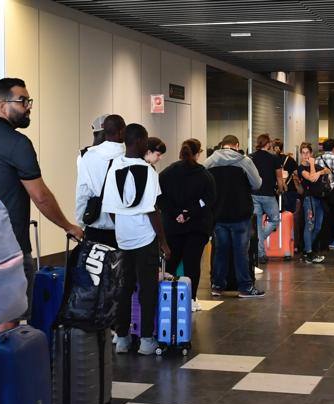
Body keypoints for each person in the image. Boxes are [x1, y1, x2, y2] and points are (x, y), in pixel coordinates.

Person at [0, 78, 84, 329]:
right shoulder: (17, 143)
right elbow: (40, 196)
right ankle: (4, 368)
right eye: (23, 101)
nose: (28, 107)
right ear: (2, 104)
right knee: (8, 320)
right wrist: (68, 226)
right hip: (9, 247)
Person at [105, 123, 170, 355]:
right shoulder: (148, 172)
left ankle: (121, 338)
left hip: (123, 238)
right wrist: (163, 241)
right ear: (141, 141)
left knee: (124, 287)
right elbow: (153, 211)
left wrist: (123, 225)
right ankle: (145, 340)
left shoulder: (113, 168)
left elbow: (110, 209)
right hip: (145, 238)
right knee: (148, 289)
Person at [204, 134, 265, 298]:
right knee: (241, 252)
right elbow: (257, 184)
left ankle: (217, 286)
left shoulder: (209, 161)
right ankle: (245, 288)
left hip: (219, 214)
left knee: (220, 251)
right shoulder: (245, 161)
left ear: (222, 145)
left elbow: (204, 185)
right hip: (241, 213)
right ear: (236, 145)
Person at [160, 138, 217, 310]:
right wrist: (189, 213)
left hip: (173, 227)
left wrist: (176, 214)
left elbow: (160, 197)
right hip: (197, 227)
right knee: (192, 264)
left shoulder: (167, 173)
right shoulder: (205, 175)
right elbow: (208, 200)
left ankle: (165, 296)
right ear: (198, 153)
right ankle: (190, 300)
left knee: (171, 263)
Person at [75, 114, 125, 247]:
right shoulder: (129, 154)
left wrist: (81, 222)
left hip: (94, 225)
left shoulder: (86, 156)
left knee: (94, 266)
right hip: (124, 230)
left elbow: (82, 193)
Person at [249, 134, 283, 263]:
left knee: (257, 224)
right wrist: (280, 190)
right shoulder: (274, 158)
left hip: (253, 194)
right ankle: (261, 252)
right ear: (268, 144)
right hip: (268, 194)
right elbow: (279, 178)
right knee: (275, 219)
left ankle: (260, 254)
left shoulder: (250, 158)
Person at [298, 143, 329, 264]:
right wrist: (312, 165)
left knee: (318, 226)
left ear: (311, 153)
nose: (305, 155)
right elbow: (311, 178)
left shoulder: (317, 166)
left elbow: (327, 171)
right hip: (308, 199)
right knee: (309, 225)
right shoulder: (300, 168)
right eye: (303, 153)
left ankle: (306, 250)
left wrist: (319, 172)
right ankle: (309, 252)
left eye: (307, 153)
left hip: (319, 199)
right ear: (301, 154)